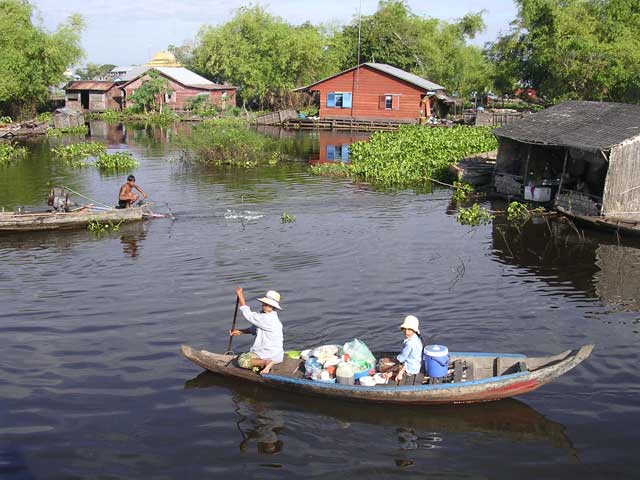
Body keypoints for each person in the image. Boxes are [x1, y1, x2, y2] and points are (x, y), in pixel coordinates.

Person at [229, 287, 283, 375]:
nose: (264, 306)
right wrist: (240, 331)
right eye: (264, 304)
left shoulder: (266, 318)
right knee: (248, 356)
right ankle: (262, 364)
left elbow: (248, 314)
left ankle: (265, 363)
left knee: (242, 360)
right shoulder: (269, 316)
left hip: (269, 353)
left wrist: (240, 295)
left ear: (273, 307)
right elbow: (254, 329)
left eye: (268, 305)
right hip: (277, 354)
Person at [381, 315, 424, 382]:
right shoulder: (417, 338)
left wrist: (389, 364)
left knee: (382, 366)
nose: (406, 332)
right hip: (415, 365)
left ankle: (398, 373)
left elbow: (401, 359)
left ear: (414, 330)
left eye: (409, 329)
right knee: (388, 363)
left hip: (410, 368)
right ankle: (396, 373)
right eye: (405, 329)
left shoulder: (410, 344)